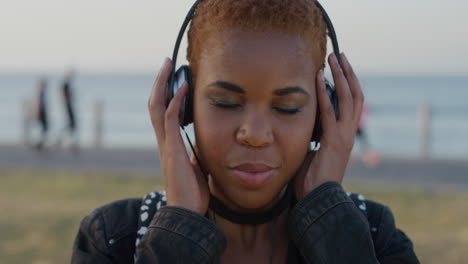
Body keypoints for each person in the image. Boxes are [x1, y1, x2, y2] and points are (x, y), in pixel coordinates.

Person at [72, 1, 419, 263]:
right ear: (182, 103)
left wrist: (330, 220)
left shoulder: (375, 236)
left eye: (287, 107)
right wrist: (179, 231)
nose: (255, 134)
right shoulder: (112, 239)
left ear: (326, 114)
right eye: (225, 102)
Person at [55, 69, 79, 151]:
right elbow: (64, 95)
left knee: (71, 124)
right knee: (70, 124)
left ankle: (69, 141)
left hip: (68, 106)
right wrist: (69, 97)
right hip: (68, 106)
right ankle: (62, 140)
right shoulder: (65, 84)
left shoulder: (66, 84)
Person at [31, 77, 49, 150]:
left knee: (44, 128)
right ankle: (39, 143)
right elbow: (38, 103)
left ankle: (40, 142)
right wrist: (36, 113)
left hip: (42, 112)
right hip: (41, 112)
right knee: (43, 127)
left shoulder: (43, 93)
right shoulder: (40, 93)